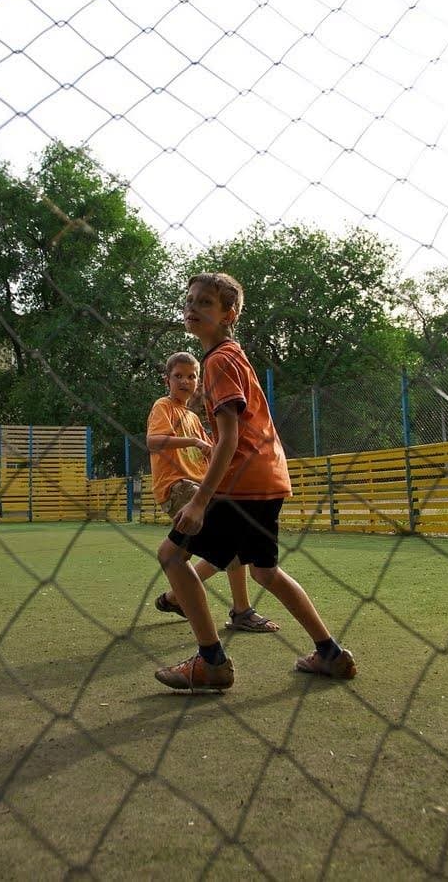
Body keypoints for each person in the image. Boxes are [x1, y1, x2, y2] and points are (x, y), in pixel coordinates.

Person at [155, 272, 356, 692]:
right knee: (266, 572)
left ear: (230, 313)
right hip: (268, 477)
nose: (192, 307)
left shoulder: (217, 361)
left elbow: (229, 438)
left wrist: (198, 501)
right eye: (190, 300)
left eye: (205, 302)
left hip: (242, 482)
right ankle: (330, 654)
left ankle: (211, 661)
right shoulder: (231, 356)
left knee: (172, 556)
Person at [148, 350, 280, 634]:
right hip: (178, 486)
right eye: (178, 376)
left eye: (192, 376)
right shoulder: (164, 406)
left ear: (198, 382)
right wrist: (195, 442)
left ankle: (177, 598)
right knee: (225, 543)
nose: (185, 381)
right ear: (166, 380)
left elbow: (214, 454)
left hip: (197, 488)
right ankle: (240, 611)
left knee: (226, 548)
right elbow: (153, 441)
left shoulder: (194, 417)